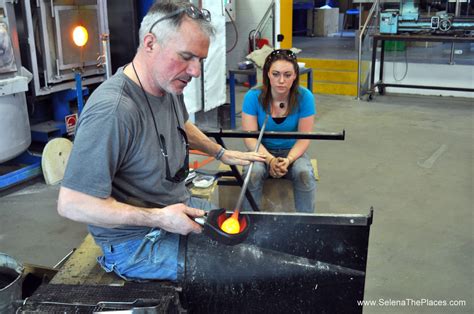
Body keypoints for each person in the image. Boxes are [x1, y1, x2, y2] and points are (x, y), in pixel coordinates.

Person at [57, 2, 264, 282]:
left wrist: (220, 153)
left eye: (200, 60)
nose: (195, 71)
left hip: (176, 207)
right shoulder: (114, 110)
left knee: (254, 237)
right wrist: (158, 218)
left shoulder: (168, 84)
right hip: (135, 243)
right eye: (186, 57)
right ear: (150, 43)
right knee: (242, 269)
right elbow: (72, 203)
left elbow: (181, 125)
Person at [241, 49, 316, 213]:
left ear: (295, 75)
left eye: (287, 75)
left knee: (304, 174)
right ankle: (250, 224)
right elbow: (250, 139)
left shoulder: (305, 97)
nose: (281, 80)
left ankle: (306, 226)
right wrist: (269, 160)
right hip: (260, 150)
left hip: (292, 152)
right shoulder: (252, 97)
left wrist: (288, 160)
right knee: (253, 174)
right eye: (276, 74)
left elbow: (304, 139)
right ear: (267, 74)